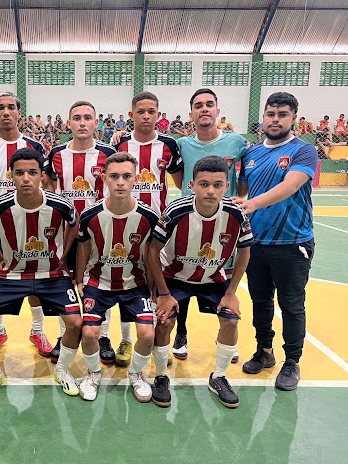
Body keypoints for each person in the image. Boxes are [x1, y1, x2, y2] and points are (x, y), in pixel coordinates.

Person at [0, 147, 83, 399]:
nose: (26, 178)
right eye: (19, 172)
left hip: (51, 274)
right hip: (10, 275)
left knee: (76, 323)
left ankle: (63, 370)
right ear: (10, 175)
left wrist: (64, 257)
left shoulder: (60, 204)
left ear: (42, 175)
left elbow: (74, 225)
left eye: (32, 172)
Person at [148, 155, 253, 408]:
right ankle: (161, 377)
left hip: (212, 278)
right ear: (191, 184)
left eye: (217, 185)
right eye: (204, 184)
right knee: (165, 321)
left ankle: (219, 377)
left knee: (230, 318)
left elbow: (245, 251)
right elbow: (152, 251)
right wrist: (162, 293)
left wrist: (231, 292)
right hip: (174, 277)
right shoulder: (176, 211)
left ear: (226, 187)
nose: (210, 190)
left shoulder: (236, 214)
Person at [234, 92, 318, 391]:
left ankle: (292, 361)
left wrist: (251, 204)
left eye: (282, 114)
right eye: (271, 113)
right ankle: (264, 351)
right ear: (263, 117)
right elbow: (241, 189)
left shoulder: (303, 151)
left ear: (293, 118)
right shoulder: (252, 153)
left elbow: (290, 185)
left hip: (292, 241)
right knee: (260, 300)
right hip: (256, 242)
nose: (275, 119)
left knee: (292, 305)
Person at [0, 91, 53, 357]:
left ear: (19, 113)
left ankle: (37, 330)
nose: (6, 112)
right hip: (0, 230)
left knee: (36, 278)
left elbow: (47, 185)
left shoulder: (35, 148)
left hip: (35, 225)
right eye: (0, 108)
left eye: (11, 107)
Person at [171, 88, 247, 363]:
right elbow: (179, 181)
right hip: (189, 221)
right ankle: (181, 333)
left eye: (209, 105)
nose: (204, 109)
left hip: (224, 225)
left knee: (221, 276)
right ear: (191, 113)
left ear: (217, 111)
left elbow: (245, 179)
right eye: (198, 105)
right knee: (183, 275)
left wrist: (238, 201)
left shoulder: (237, 143)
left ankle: (226, 333)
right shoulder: (181, 145)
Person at [76, 152, 160, 403]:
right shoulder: (90, 215)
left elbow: (151, 254)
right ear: (104, 179)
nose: (120, 182)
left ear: (136, 179)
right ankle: (93, 373)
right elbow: (82, 247)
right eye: (114, 176)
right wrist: (79, 279)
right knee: (89, 333)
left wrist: (155, 288)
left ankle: (136, 374)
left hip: (136, 283)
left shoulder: (149, 217)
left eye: (126, 176)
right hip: (98, 282)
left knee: (147, 334)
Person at [110, 91, 182, 367]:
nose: (146, 116)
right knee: (124, 279)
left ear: (159, 114)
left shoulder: (168, 145)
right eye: (141, 111)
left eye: (151, 111)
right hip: (125, 222)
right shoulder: (119, 144)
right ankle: (127, 339)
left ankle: (151, 339)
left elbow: (178, 181)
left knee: (154, 282)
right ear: (131, 115)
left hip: (157, 226)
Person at [43, 101, 116, 364]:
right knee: (65, 284)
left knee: (102, 282)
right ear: (68, 123)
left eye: (88, 118)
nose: (82, 122)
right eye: (77, 118)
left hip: (101, 232)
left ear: (97, 122)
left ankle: (104, 335)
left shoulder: (108, 153)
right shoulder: (57, 154)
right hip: (66, 233)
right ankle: (65, 335)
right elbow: (50, 189)